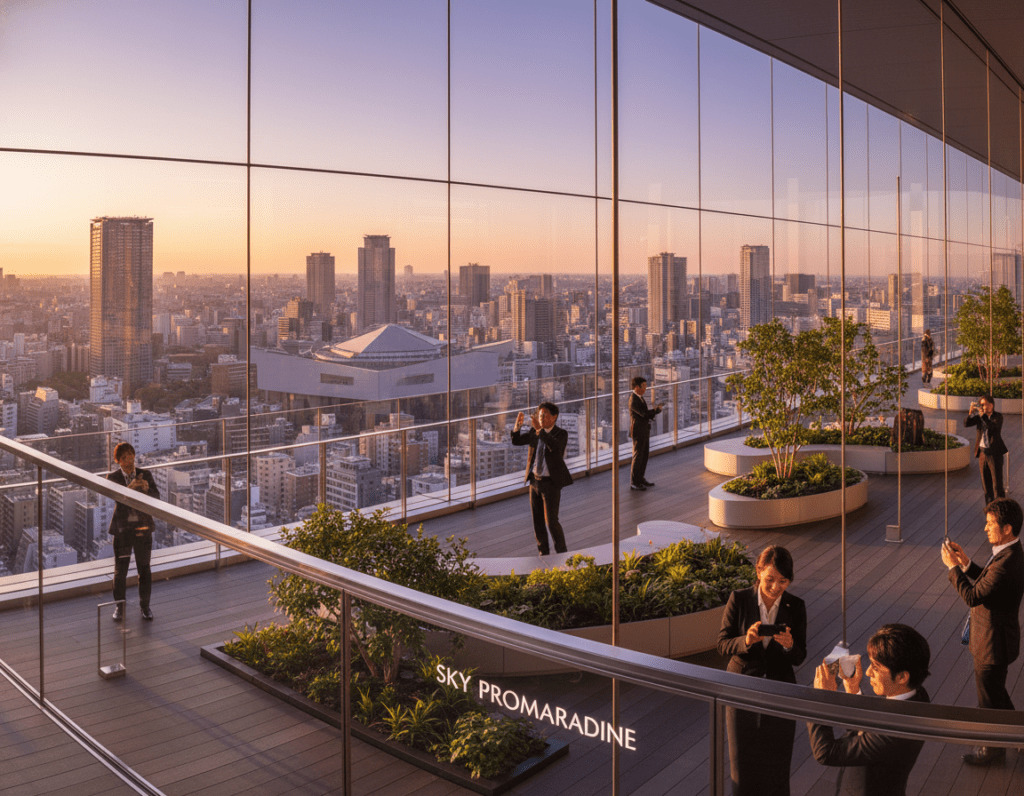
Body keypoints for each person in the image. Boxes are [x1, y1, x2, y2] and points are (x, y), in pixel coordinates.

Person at [940, 496, 1024, 765]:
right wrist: (966, 564)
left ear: (1007, 528)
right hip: (999, 640)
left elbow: (974, 596)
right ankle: (1018, 738)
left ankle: (993, 751)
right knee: (997, 693)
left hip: (991, 644)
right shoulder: (1011, 553)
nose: (985, 528)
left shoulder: (1006, 562)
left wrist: (953, 569)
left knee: (989, 700)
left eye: (990, 524)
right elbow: (989, 583)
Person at [717, 546, 807, 796]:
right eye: (770, 579)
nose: (776, 587)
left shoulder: (796, 606)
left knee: (778, 767)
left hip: (780, 693)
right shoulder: (740, 599)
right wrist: (746, 640)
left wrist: (790, 646)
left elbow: (800, 656)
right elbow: (723, 644)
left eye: (783, 581)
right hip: (741, 693)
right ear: (758, 572)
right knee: (742, 768)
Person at [807, 623, 932, 796]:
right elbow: (866, 735)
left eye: (876, 666)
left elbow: (826, 752)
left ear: (903, 676)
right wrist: (852, 690)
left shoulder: (896, 728)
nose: (867, 672)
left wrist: (820, 699)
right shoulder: (917, 696)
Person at [510, 401, 572, 556]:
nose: (541, 417)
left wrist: (540, 431)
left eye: (544, 415)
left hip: (551, 483)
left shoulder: (561, 433)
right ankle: (543, 552)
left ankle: (562, 553)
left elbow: (556, 449)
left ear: (554, 417)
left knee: (551, 522)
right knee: (537, 521)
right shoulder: (535, 431)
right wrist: (517, 426)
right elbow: (516, 441)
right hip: (535, 481)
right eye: (539, 415)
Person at [108, 442, 160, 621]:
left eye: (131, 456)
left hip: (143, 527)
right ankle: (119, 607)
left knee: (144, 568)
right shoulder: (112, 478)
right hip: (122, 530)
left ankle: (145, 606)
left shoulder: (145, 474)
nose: (129, 461)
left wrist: (146, 490)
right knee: (120, 571)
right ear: (118, 461)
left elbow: (156, 498)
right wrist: (129, 490)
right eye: (124, 458)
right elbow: (115, 500)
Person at [964, 393, 1007, 505]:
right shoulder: (979, 417)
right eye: (982, 405)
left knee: (997, 484)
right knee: (986, 485)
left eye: (987, 404)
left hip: (994, 453)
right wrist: (971, 412)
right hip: (982, 452)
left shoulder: (998, 416)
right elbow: (966, 424)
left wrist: (982, 416)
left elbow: (991, 427)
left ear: (992, 405)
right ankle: (990, 508)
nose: (984, 407)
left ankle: (1000, 507)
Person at [628, 376, 663, 491]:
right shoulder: (633, 399)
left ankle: (640, 478)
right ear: (637, 387)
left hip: (644, 430)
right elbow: (643, 414)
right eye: (643, 387)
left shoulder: (639, 397)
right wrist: (656, 411)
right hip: (638, 431)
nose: (645, 389)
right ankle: (634, 482)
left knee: (644, 456)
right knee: (638, 457)